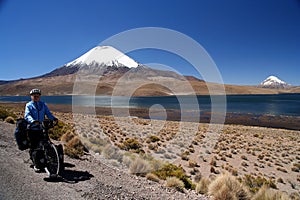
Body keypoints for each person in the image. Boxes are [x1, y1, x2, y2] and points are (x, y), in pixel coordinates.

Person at [24, 88, 58, 172]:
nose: (36, 97)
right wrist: (33, 121)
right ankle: (36, 163)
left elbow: (48, 113)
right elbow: (27, 115)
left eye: (37, 96)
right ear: (31, 96)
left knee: (45, 143)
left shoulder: (43, 104)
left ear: (40, 96)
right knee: (34, 146)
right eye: (34, 96)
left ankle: (47, 159)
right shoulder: (29, 105)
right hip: (32, 129)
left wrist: (53, 118)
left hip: (42, 128)